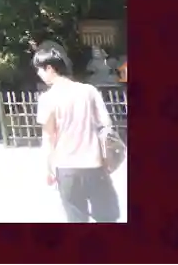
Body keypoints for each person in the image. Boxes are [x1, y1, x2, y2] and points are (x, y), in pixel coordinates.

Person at [34, 48, 122, 223]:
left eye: (39, 69)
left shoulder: (47, 99)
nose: (38, 74)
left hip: (67, 169)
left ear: (49, 68)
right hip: (96, 166)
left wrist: (47, 170)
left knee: (76, 219)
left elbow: (49, 138)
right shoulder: (89, 91)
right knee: (107, 219)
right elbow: (106, 125)